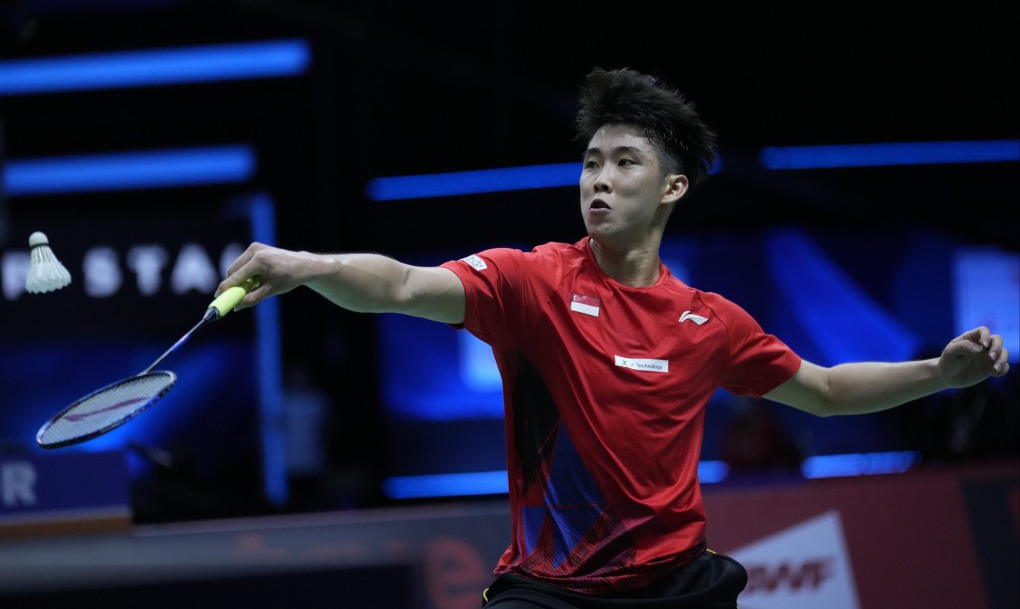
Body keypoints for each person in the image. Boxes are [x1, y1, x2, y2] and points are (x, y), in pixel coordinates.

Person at [216, 67, 1010, 608]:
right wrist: (307, 265)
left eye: (624, 162)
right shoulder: (532, 284)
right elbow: (398, 285)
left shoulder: (709, 321)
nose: (598, 178)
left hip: (674, 586)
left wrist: (940, 373)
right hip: (551, 589)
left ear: (672, 187)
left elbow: (828, 391)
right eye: (591, 161)